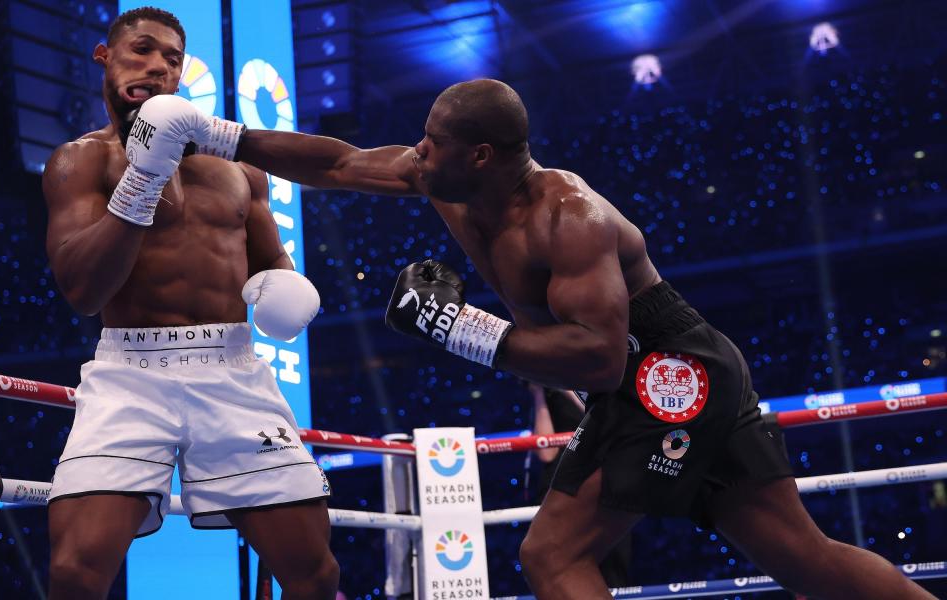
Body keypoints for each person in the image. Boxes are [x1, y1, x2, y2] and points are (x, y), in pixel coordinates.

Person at [161, 78, 932, 598]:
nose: (417, 153)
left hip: (670, 375)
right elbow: (335, 161)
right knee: (807, 562)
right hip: (653, 383)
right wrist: (220, 136)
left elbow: (598, 356)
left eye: (432, 144)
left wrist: (460, 327)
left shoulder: (571, 219)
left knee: (551, 554)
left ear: (482, 156)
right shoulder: (445, 180)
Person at [41, 8, 337, 599]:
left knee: (314, 572)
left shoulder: (237, 166)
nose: (157, 66)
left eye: (172, 59)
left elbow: (269, 261)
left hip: (231, 371)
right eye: (142, 50)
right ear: (105, 56)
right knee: (76, 570)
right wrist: (143, 176)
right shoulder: (80, 161)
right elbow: (84, 291)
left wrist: (283, 287)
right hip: (130, 373)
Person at [527, 383, 632, 589]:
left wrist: (569, 387)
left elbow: (603, 419)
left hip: (604, 483)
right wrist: (538, 393)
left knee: (613, 563)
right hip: (565, 488)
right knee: (556, 559)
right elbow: (545, 453)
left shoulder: (606, 385)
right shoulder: (548, 397)